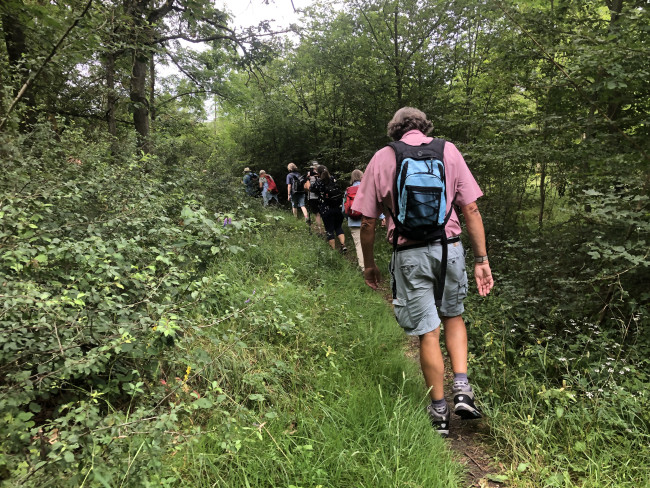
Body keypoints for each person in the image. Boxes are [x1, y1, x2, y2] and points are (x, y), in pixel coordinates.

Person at [352, 107, 494, 437]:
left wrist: (369, 264)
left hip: (408, 254)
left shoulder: (382, 158)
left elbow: (368, 222)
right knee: (453, 315)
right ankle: (462, 386)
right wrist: (482, 259)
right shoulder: (448, 151)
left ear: (395, 130)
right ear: (425, 126)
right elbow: (470, 207)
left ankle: (440, 412)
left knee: (428, 332)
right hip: (451, 249)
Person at [343, 170, 385, 271]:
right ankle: (371, 266)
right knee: (368, 245)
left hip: (353, 222)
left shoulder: (348, 190)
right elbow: (374, 205)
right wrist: (382, 217)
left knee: (359, 245)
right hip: (368, 220)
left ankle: (363, 268)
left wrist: (348, 218)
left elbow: (344, 209)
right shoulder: (368, 188)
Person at [305, 165, 347, 253]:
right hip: (338, 207)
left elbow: (309, 188)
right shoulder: (334, 179)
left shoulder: (319, 183)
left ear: (318, 173)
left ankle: (333, 250)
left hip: (326, 209)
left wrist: (308, 179)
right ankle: (343, 245)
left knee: (329, 229)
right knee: (338, 227)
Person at [306, 161, 323, 234]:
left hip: (313, 197)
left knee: (317, 214)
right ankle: (323, 229)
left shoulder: (310, 176)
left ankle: (320, 230)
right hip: (322, 196)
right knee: (322, 213)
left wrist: (308, 178)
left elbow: (307, 187)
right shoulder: (322, 174)